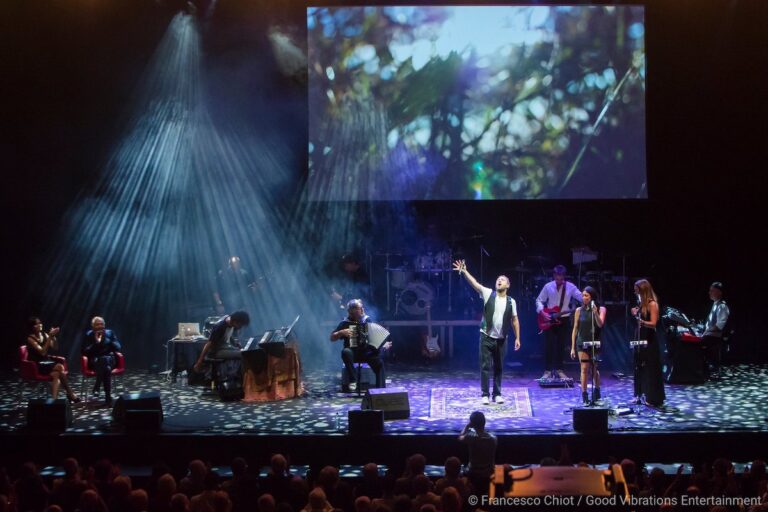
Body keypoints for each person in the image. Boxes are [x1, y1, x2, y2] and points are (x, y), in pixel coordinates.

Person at [453, 260, 521, 404]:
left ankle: (497, 394)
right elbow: (475, 283)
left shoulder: (511, 301)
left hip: (502, 339)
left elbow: (514, 320)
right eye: (498, 279)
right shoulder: (488, 293)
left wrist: (517, 338)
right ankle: (485, 394)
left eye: (502, 280)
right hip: (486, 336)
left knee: (499, 367)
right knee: (485, 366)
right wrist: (464, 271)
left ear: (508, 285)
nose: (499, 281)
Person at [330, 299, 391, 391]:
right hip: (352, 353)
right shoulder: (345, 323)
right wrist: (340, 333)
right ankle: (353, 380)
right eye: (358, 309)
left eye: (361, 309)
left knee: (379, 364)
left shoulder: (367, 320)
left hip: (367, 353)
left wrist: (383, 345)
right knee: (345, 352)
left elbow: (375, 337)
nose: (361, 311)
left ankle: (380, 391)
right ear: (350, 311)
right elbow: (332, 338)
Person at [536, 265, 582, 379]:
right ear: (554, 276)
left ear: (564, 277)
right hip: (549, 318)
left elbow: (580, 296)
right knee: (549, 345)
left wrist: (588, 299)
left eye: (561, 279)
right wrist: (542, 312)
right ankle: (547, 371)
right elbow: (539, 300)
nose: (559, 282)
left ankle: (560, 370)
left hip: (563, 318)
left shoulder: (570, 287)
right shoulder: (548, 286)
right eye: (557, 279)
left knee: (561, 345)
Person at [25, 317, 80, 402]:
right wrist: (50, 336)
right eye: (37, 323)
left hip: (46, 363)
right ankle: (70, 393)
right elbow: (42, 352)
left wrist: (53, 337)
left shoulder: (45, 335)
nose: (40, 325)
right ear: (32, 327)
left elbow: (55, 347)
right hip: (37, 365)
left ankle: (54, 401)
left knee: (56, 375)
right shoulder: (30, 339)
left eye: (40, 323)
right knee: (60, 367)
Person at [631, 279, 666, 407]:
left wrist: (642, 321)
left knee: (650, 368)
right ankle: (639, 394)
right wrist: (636, 314)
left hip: (649, 339)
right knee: (638, 366)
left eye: (637, 290)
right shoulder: (641, 304)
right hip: (640, 337)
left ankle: (653, 397)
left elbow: (654, 323)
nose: (635, 292)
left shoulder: (652, 304)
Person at [570, 286, 607, 405]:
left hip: (594, 342)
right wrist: (572, 347)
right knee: (584, 368)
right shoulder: (578, 310)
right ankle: (584, 394)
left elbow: (600, 324)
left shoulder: (601, 309)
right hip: (581, 342)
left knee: (594, 368)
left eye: (586, 295)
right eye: (583, 295)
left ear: (592, 297)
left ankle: (597, 390)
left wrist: (595, 312)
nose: (583, 298)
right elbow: (575, 329)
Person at [82, 316, 122, 405]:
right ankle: (108, 397)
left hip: (110, 360)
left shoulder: (110, 333)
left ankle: (97, 386)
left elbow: (118, 347)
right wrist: (96, 342)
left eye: (102, 324)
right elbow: (84, 352)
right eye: (97, 325)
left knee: (105, 360)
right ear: (93, 327)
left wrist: (107, 340)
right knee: (106, 367)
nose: (100, 326)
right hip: (95, 362)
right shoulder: (89, 335)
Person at [458, 411, 497, 495]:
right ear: (484, 422)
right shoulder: (493, 439)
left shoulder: (471, 437)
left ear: (472, 424)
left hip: (473, 472)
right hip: (488, 472)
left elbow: (460, 437)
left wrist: (467, 426)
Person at [702, 281, 730, 379]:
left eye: (712, 291)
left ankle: (709, 370)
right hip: (709, 335)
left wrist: (707, 331)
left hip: (714, 338)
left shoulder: (722, 306)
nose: (709, 293)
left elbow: (719, 325)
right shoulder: (715, 304)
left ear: (719, 292)